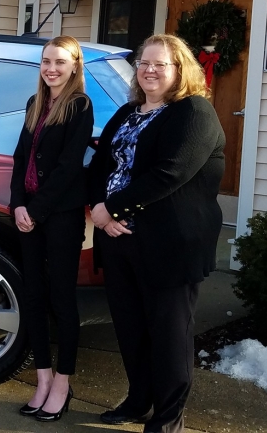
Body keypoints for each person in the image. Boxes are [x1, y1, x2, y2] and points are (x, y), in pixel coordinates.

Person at [87, 34, 225, 433]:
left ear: (180, 70)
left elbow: (170, 172)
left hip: (169, 245)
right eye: (144, 63)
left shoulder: (194, 112)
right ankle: (138, 399)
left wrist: (109, 208)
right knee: (131, 329)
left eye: (160, 64)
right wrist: (101, 212)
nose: (149, 70)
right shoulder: (129, 112)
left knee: (169, 336)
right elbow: (100, 165)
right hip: (118, 240)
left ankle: (168, 418)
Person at [10, 36, 94, 422]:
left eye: (60, 61)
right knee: (33, 296)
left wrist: (38, 210)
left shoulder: (79, 106)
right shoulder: (35, 103)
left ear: (74, 65)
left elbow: (69, 166)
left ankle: (62, 382)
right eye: (46, 61)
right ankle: (42, 379)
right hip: (29, 214)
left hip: (60, 215)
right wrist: (18, 205)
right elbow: (20, 157)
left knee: (61, 299)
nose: (51, 68)